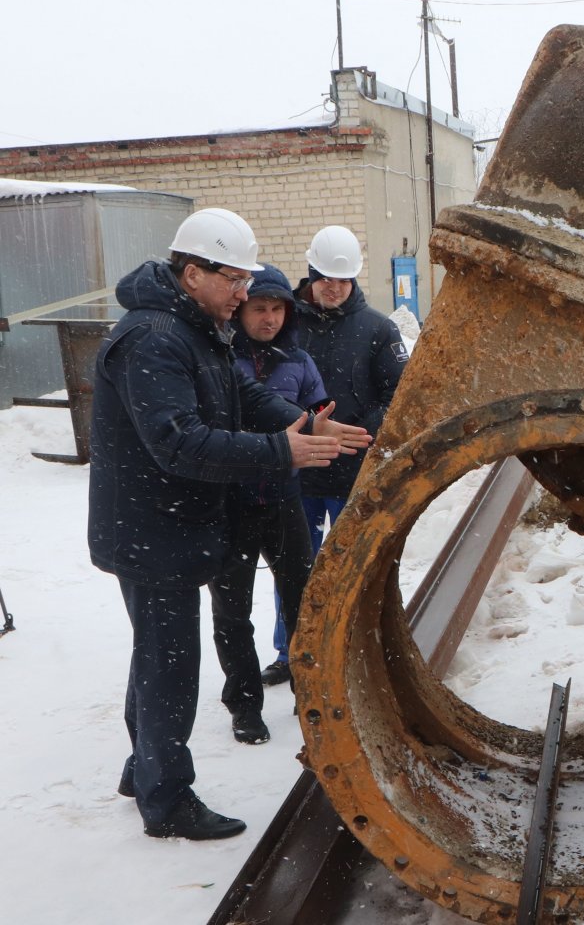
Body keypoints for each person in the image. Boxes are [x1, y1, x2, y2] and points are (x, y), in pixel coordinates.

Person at [89, 208, 372, 841]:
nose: (247, 293)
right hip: (150, 529)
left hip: (167, 524)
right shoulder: (154, 339)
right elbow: (178, 443)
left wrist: (302, 423)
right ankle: (166, 801)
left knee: (155, 656)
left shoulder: (193, 327)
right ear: (192, 273)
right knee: (170, 663)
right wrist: (283, 451)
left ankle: (145, 767)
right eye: (235, 279)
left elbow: (239, 398)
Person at [260, 226, 408, 685]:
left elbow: (399, 392)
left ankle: (351, 645)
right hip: (298, 469)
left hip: (352, 471)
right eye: (326, 277)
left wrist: (362, 430)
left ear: (354, 279)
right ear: (311, 272)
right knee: (293, 564)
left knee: (353, 565)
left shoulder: (378, 330)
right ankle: (292, 650)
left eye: (342, 280)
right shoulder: (286, 325)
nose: (333, 287)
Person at [210, 264, 329, 738]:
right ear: (240, 310)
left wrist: (320, 424)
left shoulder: (298, 360)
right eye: (259, 307)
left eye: (278, 309)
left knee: (304, 601)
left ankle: (311, 693)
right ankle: (244, 705)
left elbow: (320, 412)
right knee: (231, 612)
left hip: (285, 499)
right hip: (232, 504)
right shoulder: (221, 361)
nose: (269, 318)